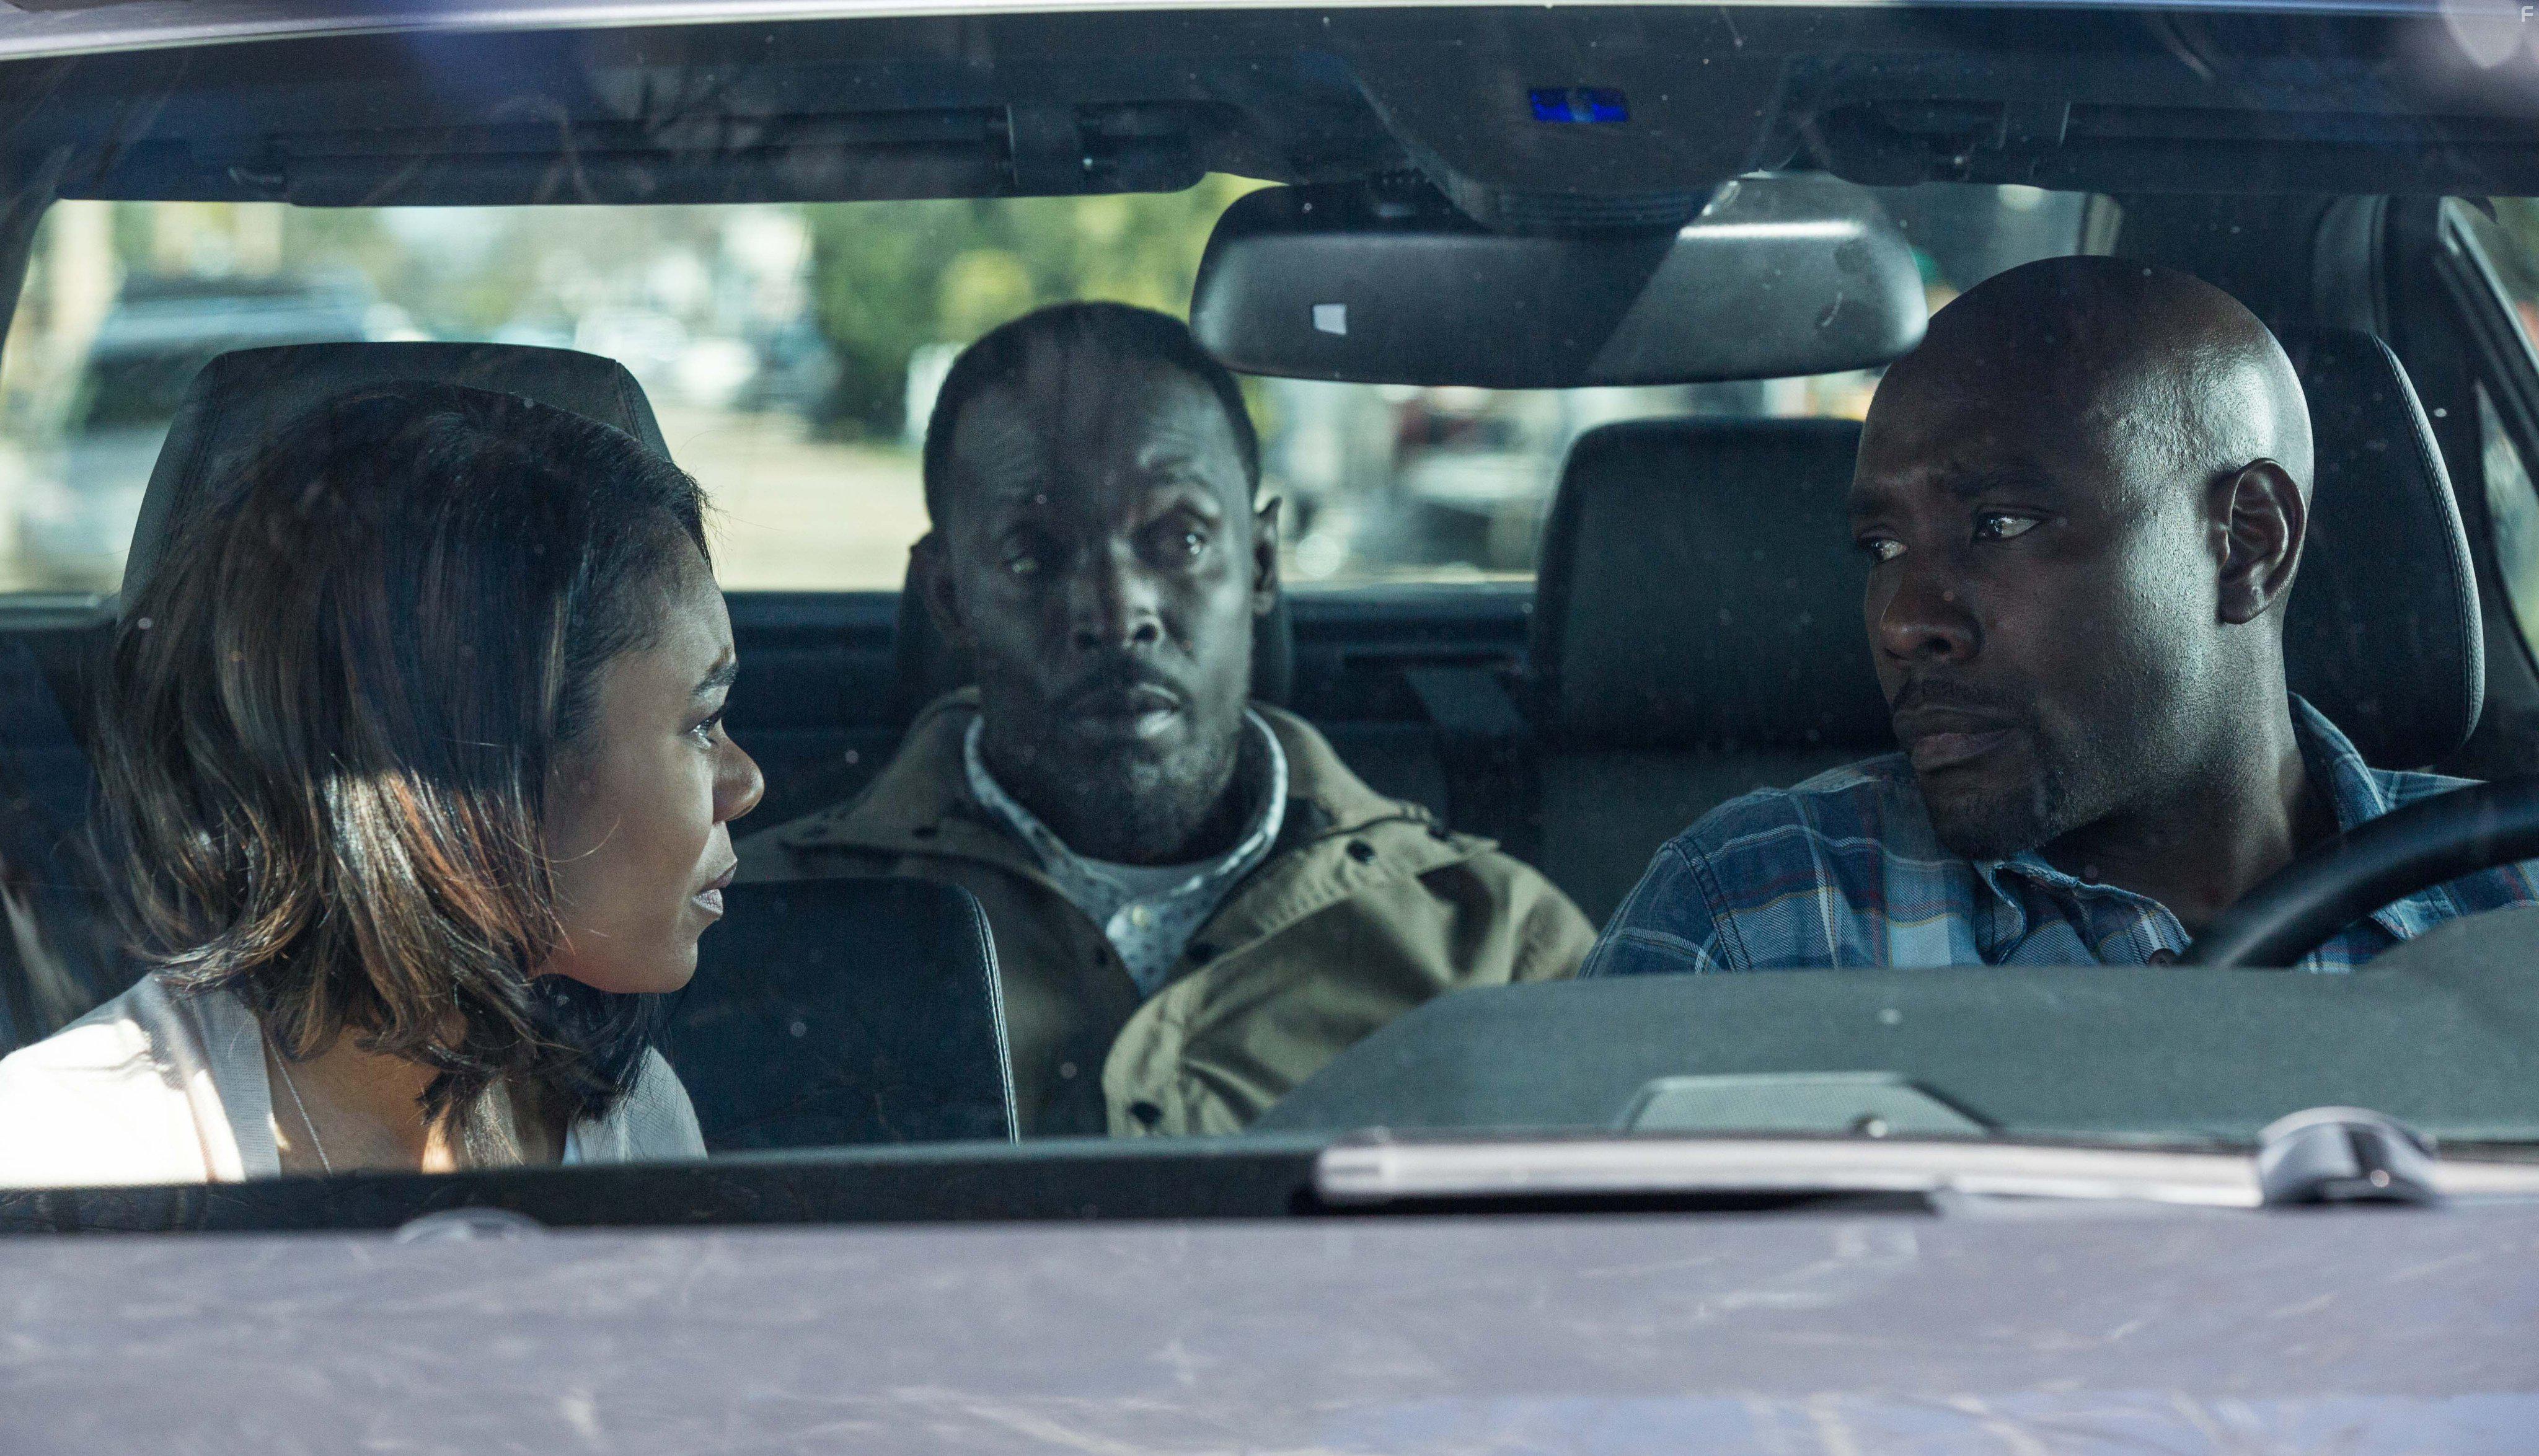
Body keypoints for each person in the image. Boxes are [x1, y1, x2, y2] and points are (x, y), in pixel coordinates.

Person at [741, 302, 1592, 1136]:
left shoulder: (1501, 945)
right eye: (1031, 554)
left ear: (1261, 563)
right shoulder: (759, 926)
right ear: (949, 597)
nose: (1118, 612)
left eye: (1180, 539)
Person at [1586, 256, 2539, 976]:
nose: (1904, 621)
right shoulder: (1756, 917)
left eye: (1999, 524)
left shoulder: (2515, 902)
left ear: (2247, 543)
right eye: (1881, 547)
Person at [0, 383, 764, 1185]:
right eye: (703, 721)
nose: (746, 782)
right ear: (487, 767)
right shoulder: (61, 1156)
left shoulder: (636, 1117)